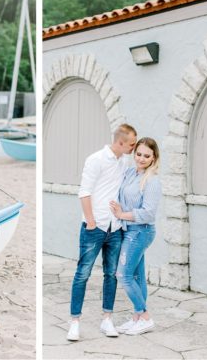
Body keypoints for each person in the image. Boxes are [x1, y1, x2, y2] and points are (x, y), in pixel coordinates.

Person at [66, 123, 137, 342]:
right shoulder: (95, 160)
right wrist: (90, 222)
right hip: (94, 227)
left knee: (111, 274)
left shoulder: (124, 162)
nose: (134, 148)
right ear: (120, 142)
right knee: (83, 274)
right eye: (132, 144)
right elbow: (84, 192)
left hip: (115, 228)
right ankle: (74, 322)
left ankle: (107, 318)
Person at [108, 137, 162, 335]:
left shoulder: (152, 181)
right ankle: (137, 318)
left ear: (154, 157)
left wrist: (122, 214)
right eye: (138, 154)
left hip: (141, 231)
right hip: (128, 230)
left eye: (146, 156)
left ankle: (145, 316)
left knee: (123, 274)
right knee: (137, 276)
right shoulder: (130, 173)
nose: (141, 158)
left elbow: (148, 212)